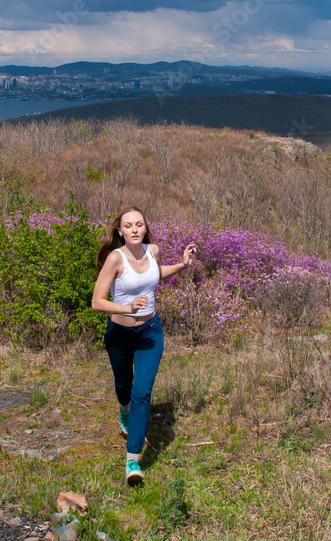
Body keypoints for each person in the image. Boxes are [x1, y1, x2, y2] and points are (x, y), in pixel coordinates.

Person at [92, 206, 198, 484]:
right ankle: (123, 411)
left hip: (151, 332)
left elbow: (156, 274)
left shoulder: (154, 250)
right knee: (123, 386)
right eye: (129, 226)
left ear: (145, 227)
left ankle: (132, 460)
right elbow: (97, 301)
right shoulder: (115, 259)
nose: (135, 229)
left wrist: (183, 265)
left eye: (139, 224)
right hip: (119, 334)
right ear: (120, 231)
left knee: (142, 391)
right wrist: (127, 306)